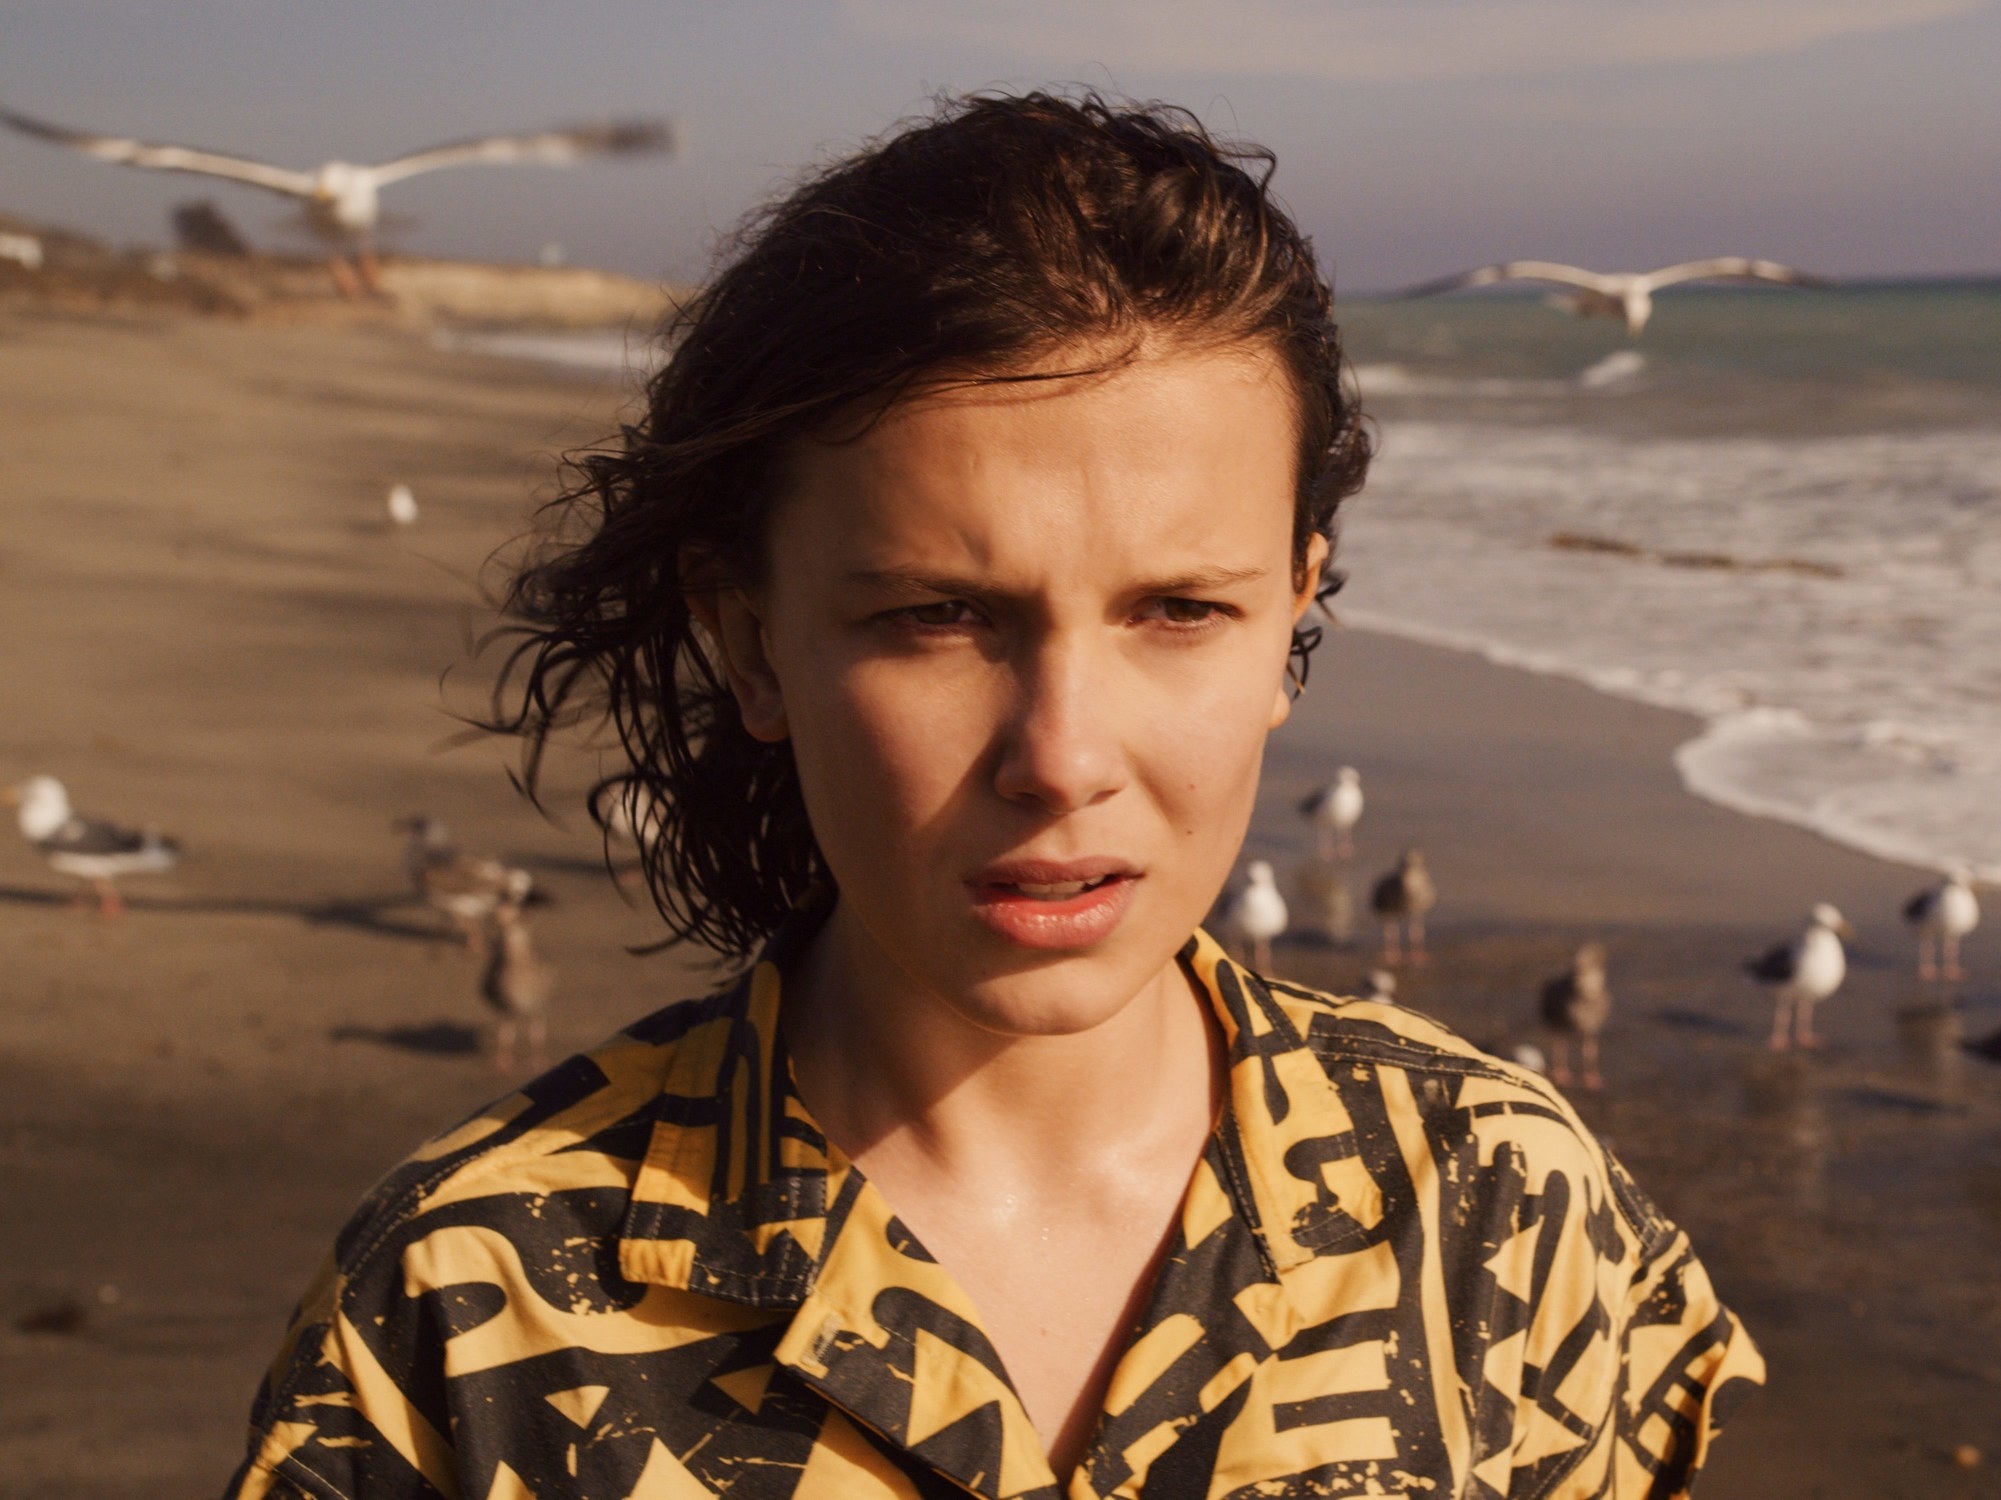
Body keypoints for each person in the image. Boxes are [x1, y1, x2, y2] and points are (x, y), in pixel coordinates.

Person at [223, 93, 1760, 1500]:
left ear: (1300, 617)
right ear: (748, 639)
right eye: (935, 619)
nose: (1064, 756)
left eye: (1179, 611)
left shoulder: (1498, 1213)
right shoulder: (465, 1316)